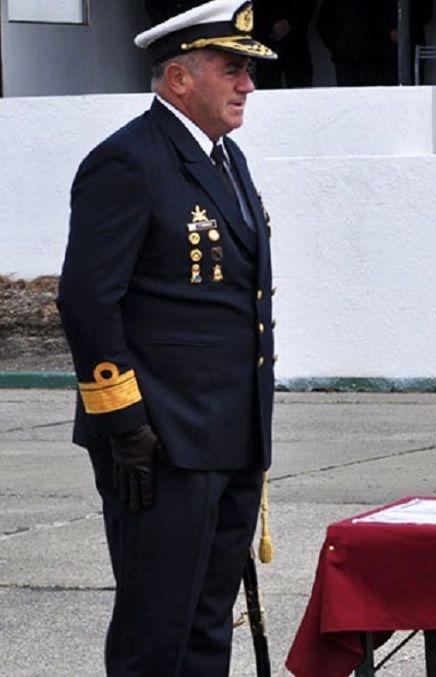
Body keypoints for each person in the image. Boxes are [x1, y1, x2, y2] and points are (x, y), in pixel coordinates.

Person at [56, 1, 277, 673]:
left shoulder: (225, 159)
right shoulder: (127, 161)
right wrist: (124, 423)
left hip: (229, 437)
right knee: (158, 629)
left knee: (208, 623)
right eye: (232, 69)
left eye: (248, 71)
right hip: (159, 446)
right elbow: (88, 300)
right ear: (178, 78)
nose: (247, 85)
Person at [317, 0, 399, 86]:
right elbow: (323, 23)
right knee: (346, 95)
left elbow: (379, 20)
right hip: (344, 60)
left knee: (370, 94)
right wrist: (336, 47)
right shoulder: (334, 3)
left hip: (371, 59)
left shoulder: (372, 3)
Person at [252, 0, 317, 88]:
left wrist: (291, 23)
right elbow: (252, 9)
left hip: (297, 46)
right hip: (267, 45)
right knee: (269, 89)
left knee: (300, 89)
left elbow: (308, 6)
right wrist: (269, 26)